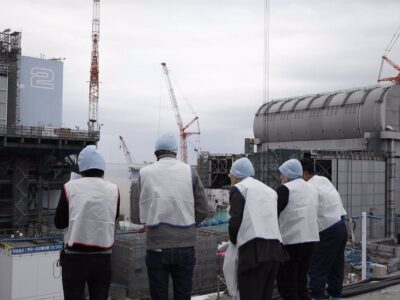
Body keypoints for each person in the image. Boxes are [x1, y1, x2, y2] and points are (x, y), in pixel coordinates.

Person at [139, 133, 208, 300]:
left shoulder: (144, 172)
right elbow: (203, 209)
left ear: (156, 152)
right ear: (176, 151)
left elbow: (141, 210)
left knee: (158, 294)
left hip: (156, 246)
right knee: (183, 295)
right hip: (185, 245)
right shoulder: (189, 171)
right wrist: (190, 223)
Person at [54, 145, 120, 300]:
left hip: (74, 258)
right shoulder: (114, 189)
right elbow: (114, 217)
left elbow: (59, 222)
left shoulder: (69, 187)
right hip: (103, 259)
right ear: (102, 168)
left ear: (81, 169)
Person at [227, 157, 288, 300]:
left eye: (230, 176)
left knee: (249, 294)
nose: (230, 180)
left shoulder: (240, 189)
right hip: (275, 250)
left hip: (254, 252)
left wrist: (233, 241)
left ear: (236, 176)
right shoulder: (269, 190)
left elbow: (235, 221)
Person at [301, 158, 348, 300]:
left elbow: (307, 212)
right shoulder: (323, 180)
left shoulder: (308, 187)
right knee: (336, 266)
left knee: (317, 267)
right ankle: (335, 295)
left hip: (327, 229)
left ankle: (315, 296)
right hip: (341, 225)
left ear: (305, 173)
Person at [276, 159, 319, 300]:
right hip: (310, 240)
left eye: (282, 174)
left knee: (288, 284)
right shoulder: (312, 189)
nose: (281, 177)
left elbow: (273, 214)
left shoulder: (284, 190)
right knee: (301, 281)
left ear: (288, 174)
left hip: (291, 242)